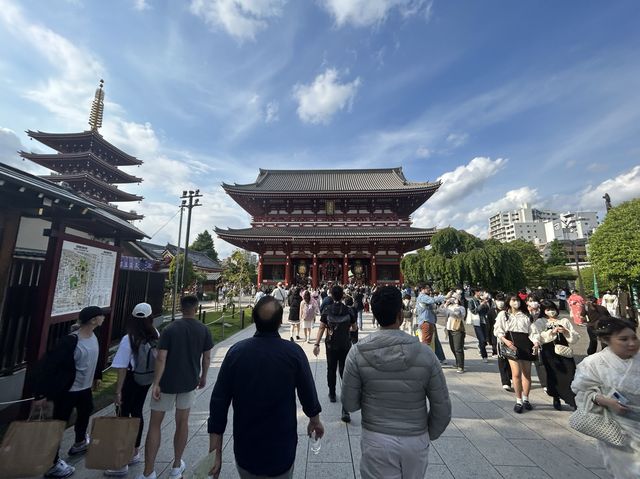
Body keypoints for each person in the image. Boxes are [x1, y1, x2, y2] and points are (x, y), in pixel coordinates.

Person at [208, 296, 324, 479]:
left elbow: (218, 403)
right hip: (281, 446)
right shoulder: (293, 353)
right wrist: (315, 419)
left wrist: (215, 453)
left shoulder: (236, 353)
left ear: (254, 319)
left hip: (246, 447)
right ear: (280, 322)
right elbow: (307, 392)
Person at [342, 286, 451, 479]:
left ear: (374, 314)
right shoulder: (426, 354)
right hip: (415, 437)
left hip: (375, 436)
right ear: (400, 315)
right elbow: (442, 407)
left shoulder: (357, 352)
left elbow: (349, 403)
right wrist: (427, 434)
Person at [137, 295, 213, 479]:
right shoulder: (203, 330)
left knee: (155, 425)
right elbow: (207, 357)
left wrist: (156, 382)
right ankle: (176, 466)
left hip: (165, 383)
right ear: (196, 308)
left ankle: (148, 472)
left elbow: (161, 357)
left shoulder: (169, 329)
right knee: (182, 423)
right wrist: (203, 376)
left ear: (181, 308)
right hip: (189, 381)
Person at [32, 306, 105, 478]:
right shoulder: (70, 341)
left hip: (84, 388)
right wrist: (41, 394)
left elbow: (96, 357)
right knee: (58, 424)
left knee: (86, 411)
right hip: (67, 390)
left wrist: (97, 375)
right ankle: (52, 463)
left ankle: (80, 441)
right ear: (93, 319)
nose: (103, 319)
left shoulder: (95, 335)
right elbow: (49, 367)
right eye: (100, 316)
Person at [571, 317, 640, 479]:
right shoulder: (593, 363)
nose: (631, 343)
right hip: (618, 427)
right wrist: (606, 401)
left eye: (634, 337)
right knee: (629, 472)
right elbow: (581, 391)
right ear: (605, 340)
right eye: (623, 339)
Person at [104, 303, 159, 477]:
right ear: (150, 317)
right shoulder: (155, 334)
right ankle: (135, 451)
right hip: (146, 379)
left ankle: (120, 462)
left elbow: (121, 367)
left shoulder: (129, 338)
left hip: (130, 379)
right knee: (137, 412)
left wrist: (118, 391)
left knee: (122, 416)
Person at [313, 285, 357, 423]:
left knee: (331, 369)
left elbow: (321, 328)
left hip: (331, 345)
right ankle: (345, 408)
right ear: (343, 295)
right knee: (345, 372)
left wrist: (316, 344)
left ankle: (332, 393)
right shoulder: (349, 310)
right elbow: (355, 327)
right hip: (345, 344)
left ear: (331, 295)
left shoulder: (327, 310)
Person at [494, 294, 540, 413]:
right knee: (516, 373)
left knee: (527, 373)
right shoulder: (503, 314)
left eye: (518, 300)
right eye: (514, 300)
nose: (516, 303)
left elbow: (532, 331)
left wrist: (535, 342)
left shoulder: (526, 315)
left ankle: (526, 399)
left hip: (526, 343)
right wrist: (505, 341)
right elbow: (498, 330)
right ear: (508, 302)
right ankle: (518, 400)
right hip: (512, 344)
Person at [534, 301, 579, 410]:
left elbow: (574, 336)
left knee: (570, 373)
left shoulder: (563, 321)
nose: (551, 311)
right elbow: (538, 336)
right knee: (553, 375)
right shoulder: (541, 322)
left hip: (564, 351)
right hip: (549, 352)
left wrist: (565, 331)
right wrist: (551, 332)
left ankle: (572, 399)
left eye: (552, 309)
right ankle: (556, 397)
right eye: (548, 309)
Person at [415, 284, 447, 363]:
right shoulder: (422, 297)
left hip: (430, 321)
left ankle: (441, 358)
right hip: (426, 322)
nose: (429, 290)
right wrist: (446, 296)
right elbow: (433, 300)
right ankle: (423, 360)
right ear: (422, 289)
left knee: (435, 341)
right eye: (428, 288)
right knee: (426, 342)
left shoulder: (424, 297)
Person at [493, 295, 513, 391]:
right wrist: (502, 338)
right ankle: (505, 381)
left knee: (513, 361)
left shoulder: (522, 315)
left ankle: (511, 376)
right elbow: (497, 329)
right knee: (503, 360)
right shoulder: (502, 314)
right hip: (503, 340)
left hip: (516, 341)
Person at [444, 296, 466, 373]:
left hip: (457, 329)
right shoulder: (449, 306)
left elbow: (459, 315)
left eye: (456, 298)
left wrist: (454, 308)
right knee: (452, 347)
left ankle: (461, 366)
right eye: (453, 298)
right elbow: (441, 311)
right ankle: (457, 363)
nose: (454, 300)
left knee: (458, 348)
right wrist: (446, 303)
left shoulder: (461, 308)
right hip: (449, 329)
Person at [468, 289, 489, 363]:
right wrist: (481, 305)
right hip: (477, 322)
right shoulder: (471, 301)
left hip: (484, 321)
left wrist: (486, 304)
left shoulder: (482, 300)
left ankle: (480, 346)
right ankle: (484, 356)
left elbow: (487, 311)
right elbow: (474, 311)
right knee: (482, 339)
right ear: (475, 292)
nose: (481, 293)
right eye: (479, 291)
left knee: (485, 339)